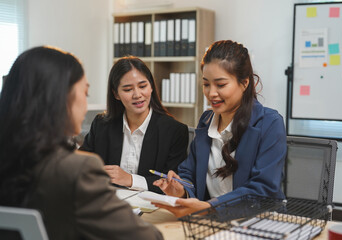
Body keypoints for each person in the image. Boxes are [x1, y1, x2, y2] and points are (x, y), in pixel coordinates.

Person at [0, 46, 163, 240]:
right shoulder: (77, 170)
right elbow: (146, 237)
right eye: (85, 94)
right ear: (60, 98)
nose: (86, 105)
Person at [153, 40, 287, 217]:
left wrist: (211, 207)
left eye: (221, 84)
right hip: (209, 222)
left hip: (256, 223)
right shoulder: (206, 121)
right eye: (206, 84)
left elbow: (262, 190)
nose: (211, 93)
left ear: (244, 83)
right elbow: (189, 172)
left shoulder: (270, 123)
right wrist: (180, 189)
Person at [80, 56, 188, 193]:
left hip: (152, 209)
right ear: (116, 94)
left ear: (151, 87)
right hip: (107, 203)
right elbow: (81, 165)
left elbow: (172, 185)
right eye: (128, 89)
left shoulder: (175, 131)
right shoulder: (101, 125)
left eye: (143, 86)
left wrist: (130, 179)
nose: (137, 95)